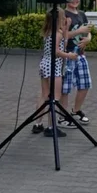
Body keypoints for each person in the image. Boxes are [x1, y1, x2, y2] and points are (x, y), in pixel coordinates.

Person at [33, 8, 78, 137]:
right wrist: (69, 56)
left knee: (44, 94)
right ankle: (51, 127)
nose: (65, 19)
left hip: (44, 65)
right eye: (63, 17)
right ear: (59, 19)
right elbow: (57, 51)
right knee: (55, 98)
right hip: (54, 67)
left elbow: (60, 45)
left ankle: (37, 123)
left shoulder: (49, 32)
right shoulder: (57, 34)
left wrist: (66, 29)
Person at [60, 0, 93, 128]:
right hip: (68, 55)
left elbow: (88, 31)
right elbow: (63, 35)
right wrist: (79, 32)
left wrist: (88, 39)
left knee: (84, 84)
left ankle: (76, 110)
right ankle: (63, 116)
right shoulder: (63, 14)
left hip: (80, 55)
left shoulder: (81, 14)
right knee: (65, 88)